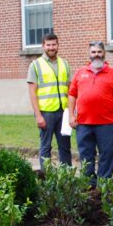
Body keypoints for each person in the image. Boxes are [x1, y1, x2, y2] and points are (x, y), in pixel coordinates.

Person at [68, 41, 113, 187]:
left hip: (106, 123)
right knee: (86, 155)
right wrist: (71, 115)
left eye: (99, 52)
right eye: (93, 52)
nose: (96, 55)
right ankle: (89, 184)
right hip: (83, 123)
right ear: (89, 54)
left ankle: (104, 183)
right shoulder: (80, 72)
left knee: (106, 154)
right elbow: (72, 94)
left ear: (104, 53)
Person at [27, 33, 72, 169]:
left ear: (58, 45)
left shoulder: (65, 64)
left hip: (63, 112)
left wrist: (71, 111)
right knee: (46, 147)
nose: (51, 47)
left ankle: (66, 178)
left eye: (54, 44)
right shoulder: (35, 65)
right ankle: (46, 178)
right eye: (48, 45)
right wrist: (38, 115)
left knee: (65, 147)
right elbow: (32, 92)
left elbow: (70, 89)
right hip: (46, 113)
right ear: (43, 46)